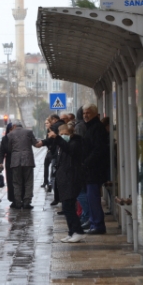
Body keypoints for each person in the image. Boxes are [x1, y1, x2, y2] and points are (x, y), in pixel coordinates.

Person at [44, 124, 86, 242]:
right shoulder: (62, 145)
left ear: (71, 133)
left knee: (68, 206)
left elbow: (70, 150)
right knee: (67, 206)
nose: (63, 137)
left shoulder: (75, 143)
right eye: (61, 134)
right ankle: (72, 231)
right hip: (65, 179)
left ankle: (78, 231)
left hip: (71, 178)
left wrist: (57, 138)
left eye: (65, 134)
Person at [81, 103, 108, 234]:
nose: (85, 115)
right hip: (90, 169)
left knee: (93, 197)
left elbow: (98, 149)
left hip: (94, 169)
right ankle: (93, 221)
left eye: (88, 113)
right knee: (90, 197)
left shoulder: (97, 128)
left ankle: (97, 224)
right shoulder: (91, 127)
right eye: (84, 113)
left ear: (94, 114)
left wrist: (86, 162)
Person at [5, 121, 40, 209]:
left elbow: (9, 149)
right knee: (28, 182)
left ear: (14, 126)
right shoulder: (29, 132)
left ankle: (17, 202)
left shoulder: (10, 135)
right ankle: (27, 202)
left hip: (15, 161)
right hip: (28, 160)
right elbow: (35, 143)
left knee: (16, 183)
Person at [73, 106, 89, 226]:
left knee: (81, 191)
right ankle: (85, 215)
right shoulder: (83, 125)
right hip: (84, 162)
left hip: (81, 163)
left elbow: (79, 145)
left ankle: (86, 215)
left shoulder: (79, 127)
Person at [0, 123, 15, 204]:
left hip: (18, 162)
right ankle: (12, 199)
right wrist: (0, 163)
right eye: (10, 129)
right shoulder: (5, 139)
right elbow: (1, 152)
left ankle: (19, 198)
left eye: (13, 129)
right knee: (10, 181)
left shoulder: (18, 137)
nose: (12, 131)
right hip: (9, 162)